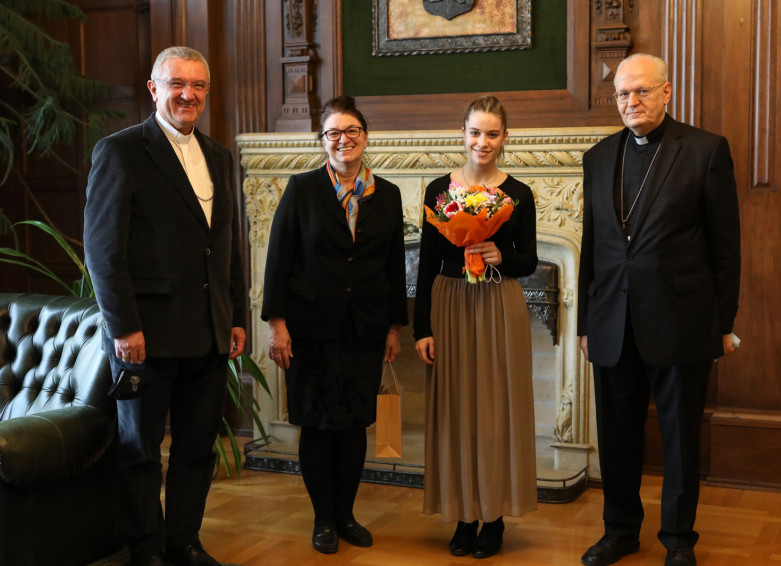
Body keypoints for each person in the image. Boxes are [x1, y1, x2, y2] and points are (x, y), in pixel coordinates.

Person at [577, 53, 741, 566]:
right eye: (623, 94)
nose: (631, 102)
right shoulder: (599, 156)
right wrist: (585, 323)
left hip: (680, 323)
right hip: (612, 323)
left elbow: (726, 247)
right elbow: (592, 246)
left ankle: (678, 540)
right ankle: (620, 531)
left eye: (642, 91)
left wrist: (723, 324)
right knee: (617, 438)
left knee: (679, 441)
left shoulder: (705, 150)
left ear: (666, 92)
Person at [84, 47, 246, 566]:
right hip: (144, 335)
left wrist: (236, 316)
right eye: (177, 84)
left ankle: (184, 542)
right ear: (154, 89)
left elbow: (227, 245)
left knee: (197, 448)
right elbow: (103, 251)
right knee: (140, 451)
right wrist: (123, 327)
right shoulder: (120, 151)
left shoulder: (219, 155)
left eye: (198, 86)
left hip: (208, 331)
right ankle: (147, 549)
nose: (188, 95)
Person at [262, 95, 408, 554]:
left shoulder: (388, 194)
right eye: (333, 133)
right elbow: (278, 259)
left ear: (365, 137)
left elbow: (394, 265)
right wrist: (277, 324)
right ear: (322, 141)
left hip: (365, 329)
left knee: (354, 424)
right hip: (310, 329)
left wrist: (393, 328)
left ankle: (346, 515)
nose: (344, 139)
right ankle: (323, 519)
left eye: (352, 131)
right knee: (318, 424)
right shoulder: (302, 189)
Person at [414, 95, 538, 559]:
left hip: (498, 303)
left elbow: (529, 259)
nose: (482, 142)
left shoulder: (519, 193)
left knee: (496, 409)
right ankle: (463, 516)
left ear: (505, 138)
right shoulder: (437, 190)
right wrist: (421, 329)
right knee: (455, 409)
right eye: (474, 132)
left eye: (491, 133)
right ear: (462, 134)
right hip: (449, 302)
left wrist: (501, 255)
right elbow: (426, 263)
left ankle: (494, 517)